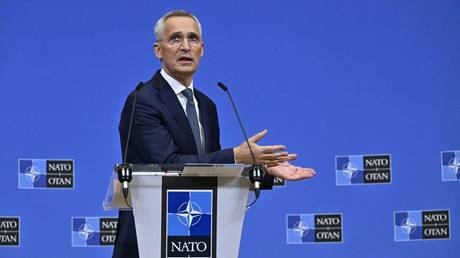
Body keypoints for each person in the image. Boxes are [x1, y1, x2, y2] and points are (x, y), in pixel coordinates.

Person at [113, 10, 316, 258]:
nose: (185, 47)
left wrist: (259, 167)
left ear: (202, 49)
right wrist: (236, 156)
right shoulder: (142, 101)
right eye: (175, 39)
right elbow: (168, 165)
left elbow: (210, 172)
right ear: (158, 50)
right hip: (149, 240)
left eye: (193, 39)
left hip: (197, 237)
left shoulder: (207, 105)